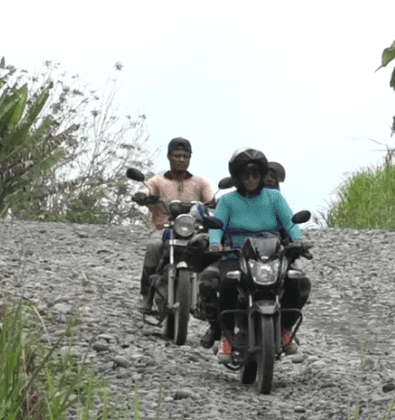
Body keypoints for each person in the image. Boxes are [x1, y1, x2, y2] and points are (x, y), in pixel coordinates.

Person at [198, 148, 312, 363]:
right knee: (225, 281)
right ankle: (226, 336)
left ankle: (285, 330)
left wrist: (299, 240)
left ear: (262, 175)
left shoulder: (274, 197)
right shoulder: (227, 201)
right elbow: (216, 227)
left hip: (272, 255)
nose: (251, 179)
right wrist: (215, 243)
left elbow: (290, 224)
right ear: (237, 177)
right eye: (246, 174)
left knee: (299, 282)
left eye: (255, 174)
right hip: (236, 255)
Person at [133, 137, 214, 313]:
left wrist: (216, 202)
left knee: (212, 248)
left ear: (190, 158)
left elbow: (210, 199)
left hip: (193, 231)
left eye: (185, 156)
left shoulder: (200, 183)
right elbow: (147, 189)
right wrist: (142, 195)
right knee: (154, 246)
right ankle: (146, 295)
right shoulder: (158, 181)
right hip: (163, 229)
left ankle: (206, 300)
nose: (181, 159)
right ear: (169, 157)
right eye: (177, 156)